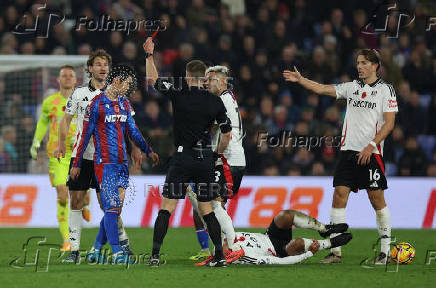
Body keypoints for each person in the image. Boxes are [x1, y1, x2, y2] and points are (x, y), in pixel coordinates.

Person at [283, 48, 398, 264]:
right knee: (339, 195)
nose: (359, 67)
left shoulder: (386, 90)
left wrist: (371, 145)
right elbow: (323, 89)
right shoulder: (352, 87)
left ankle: (385, 251)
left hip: (371, 153)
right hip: (348, 152)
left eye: (364, 63)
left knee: (376, 200)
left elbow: (390, 124)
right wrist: (301, 80)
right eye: (358, 63)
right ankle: (336, 252)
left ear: (375, 66)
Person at [144, 37, 240, 267]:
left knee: (167, 207)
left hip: (182, 158)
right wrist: (215, 155)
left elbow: (152, 79)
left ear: (187, 76)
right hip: (204, 158)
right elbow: (226, 133)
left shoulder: (178, 93)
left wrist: (149, 54)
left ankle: (155, 256)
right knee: (207, 209)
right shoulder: (216, 102)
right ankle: (219, 256)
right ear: (205, 78)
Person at [56, 49, 141, 263]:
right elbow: (66, 119)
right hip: (83, 157)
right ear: (90, 69)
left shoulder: (117, 96)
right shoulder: (78, 94)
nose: (103, 68)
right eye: (98, 64)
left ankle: (122, 241)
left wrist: (136, 149)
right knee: (75, 200)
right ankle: (74, 250)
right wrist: (61, 144)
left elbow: (130, 126)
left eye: (106, 64)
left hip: (108, 159)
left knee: (109, 205)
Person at [70, 65, 159, 263]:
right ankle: (117, 252)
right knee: (111, 208)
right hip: (105, 163)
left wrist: (148, 150)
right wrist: (76, 163)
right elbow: (84, 136)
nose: (128, 88)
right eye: (127, 84)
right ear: (117, 81)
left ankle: (95, 249)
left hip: (122, 163)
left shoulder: (124, 104)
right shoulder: (96, 105)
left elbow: (133, 131)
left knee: (115, 209)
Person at [188, 65, 246, 263]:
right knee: (217, 204)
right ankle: (220, 252)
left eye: (210, 79)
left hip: (228, 159)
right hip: (233, 159)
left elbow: (224, 133)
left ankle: (234, 247)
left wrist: (215, 155)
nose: (206, 83)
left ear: (222, 82)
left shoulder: (222, 99)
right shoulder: (228, 98)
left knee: (214, 205)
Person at [30, 65, 88, 251]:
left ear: (75, 79)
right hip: (58, 155)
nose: (68, 78)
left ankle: (85, 202)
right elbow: (43, 122)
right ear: (58, 79)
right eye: (64, 75)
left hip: (80, 153)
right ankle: (67, 240)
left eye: (71, 75)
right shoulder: (50, 102)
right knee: (62, 194)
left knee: (79, 197)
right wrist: (36, 142)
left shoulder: (84, 101)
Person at [224, 210, 352, 265]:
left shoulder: (227, 237)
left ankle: (324, 229)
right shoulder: (245, 257)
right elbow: (278, 262)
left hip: (269, 236)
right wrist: (309, 254)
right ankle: (329, 243)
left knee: (285, 215)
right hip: (278, 252)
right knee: (298, 243)